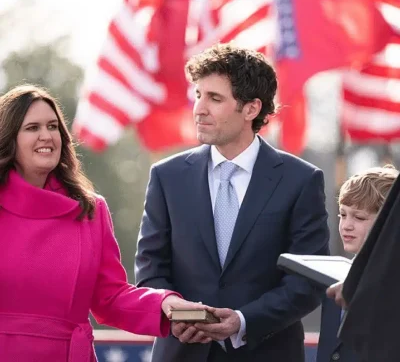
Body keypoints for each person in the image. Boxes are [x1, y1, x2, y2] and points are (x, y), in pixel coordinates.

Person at [135, 43, 330, 362]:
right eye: (198, 95)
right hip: (181, 353)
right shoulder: (167, 177)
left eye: (214, 98)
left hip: (265, 353)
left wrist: (243, 321)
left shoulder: (301, 181)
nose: (199, 108)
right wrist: (173, 308)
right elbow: (150, 267)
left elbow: (307, 282)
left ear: (251, 109)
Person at [0, 84, 205, 362]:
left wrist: (165, 305)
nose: (46, 136)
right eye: (32, 128)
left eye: (52, 126)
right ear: (9, 139)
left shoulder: (90, 210)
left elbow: (110, 297)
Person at [318, 165, 399, 362]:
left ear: (388, 222)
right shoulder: (335, 276)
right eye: (343, 214)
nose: (346, 225)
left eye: (359, 217)